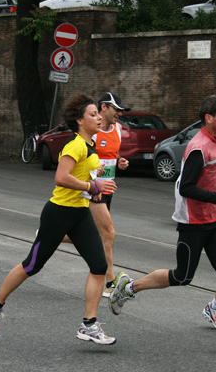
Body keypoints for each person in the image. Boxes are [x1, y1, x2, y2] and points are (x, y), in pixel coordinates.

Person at [108, 95, 216, 352]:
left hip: (213, 220)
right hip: (193, 222)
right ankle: (129, 287)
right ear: (209, 118)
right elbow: (188, 187)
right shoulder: (199, 146)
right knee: (182, 276)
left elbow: (210, 181)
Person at [0, 93, 118, 345]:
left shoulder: (90, 144)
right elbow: (61, 178)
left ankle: (89, 324)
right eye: (92, 114)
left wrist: (94, 174)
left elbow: (82, 172)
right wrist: (93, 184)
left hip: (79, 213)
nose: (98, 117)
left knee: (99, 266)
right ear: (79, 120)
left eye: (98, 114)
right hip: (58, 214)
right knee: (32, 266)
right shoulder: (74, 144)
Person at [92, 92, 130, 297]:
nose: (119, 113)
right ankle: (109, 283)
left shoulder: (118, 129)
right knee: (108, 232)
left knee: (91, 232)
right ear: (104, 107)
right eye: (117, 109)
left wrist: (120, 161)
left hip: (109, 189)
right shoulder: (91, 130)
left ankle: (48, 237)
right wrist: (94, 179)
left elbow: (112, 155)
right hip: (91, 190)